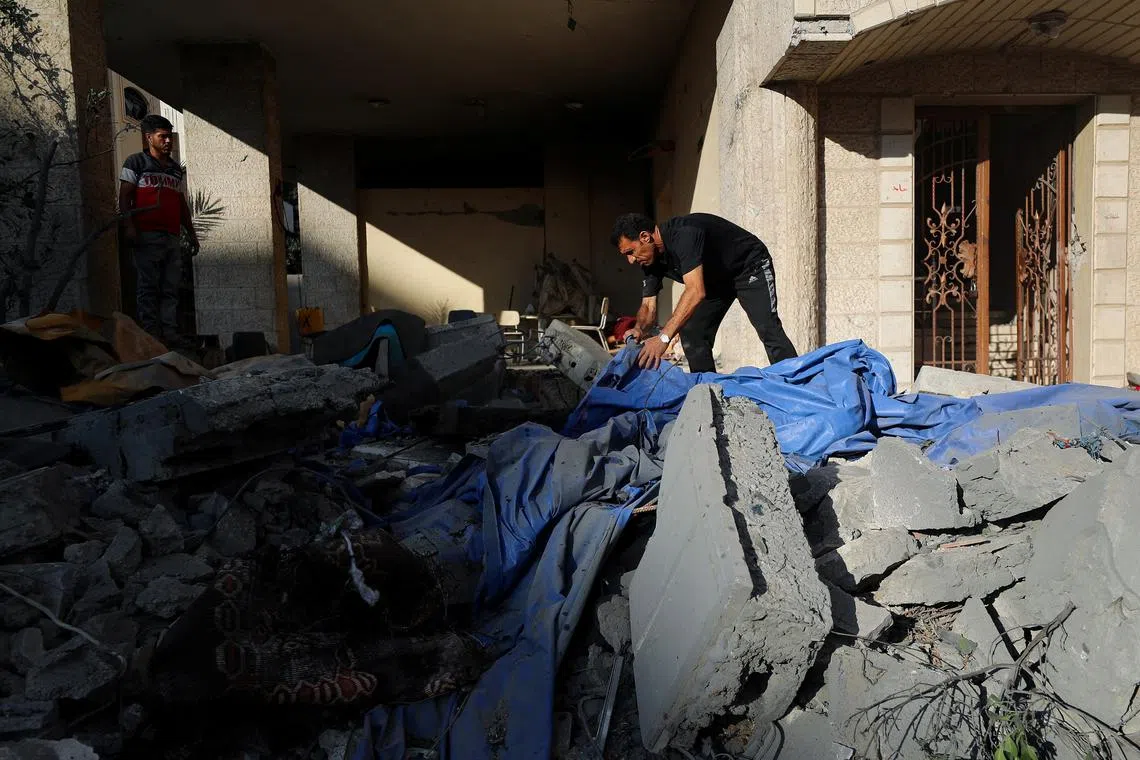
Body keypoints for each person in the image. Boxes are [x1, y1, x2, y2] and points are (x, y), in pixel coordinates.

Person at [611, 212, 797, 372]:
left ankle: (796, 385)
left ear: (645, 237)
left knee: (767, 328)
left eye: (630, 252)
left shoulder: (684, 234)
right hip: (714, 282)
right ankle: (707, 392)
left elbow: (695, 291)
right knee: (692, 333)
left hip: (748, 266)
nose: (630, 260)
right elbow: (648, 306)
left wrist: (663, 338)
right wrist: (638, 329)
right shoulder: (650, 261)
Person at [118, 114, 199, 343]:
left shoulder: (175, 169)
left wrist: (191, 233)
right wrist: (129, 227)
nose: (168, 141)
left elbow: (180, 202)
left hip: (171, 235)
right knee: (148, 286)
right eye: (162, 137)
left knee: (170, 286)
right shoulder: (135, 162)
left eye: (169, 137)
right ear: (149, 137)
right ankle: (150, 333)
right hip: (146, 235)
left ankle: (170, 332)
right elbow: (124, 197)